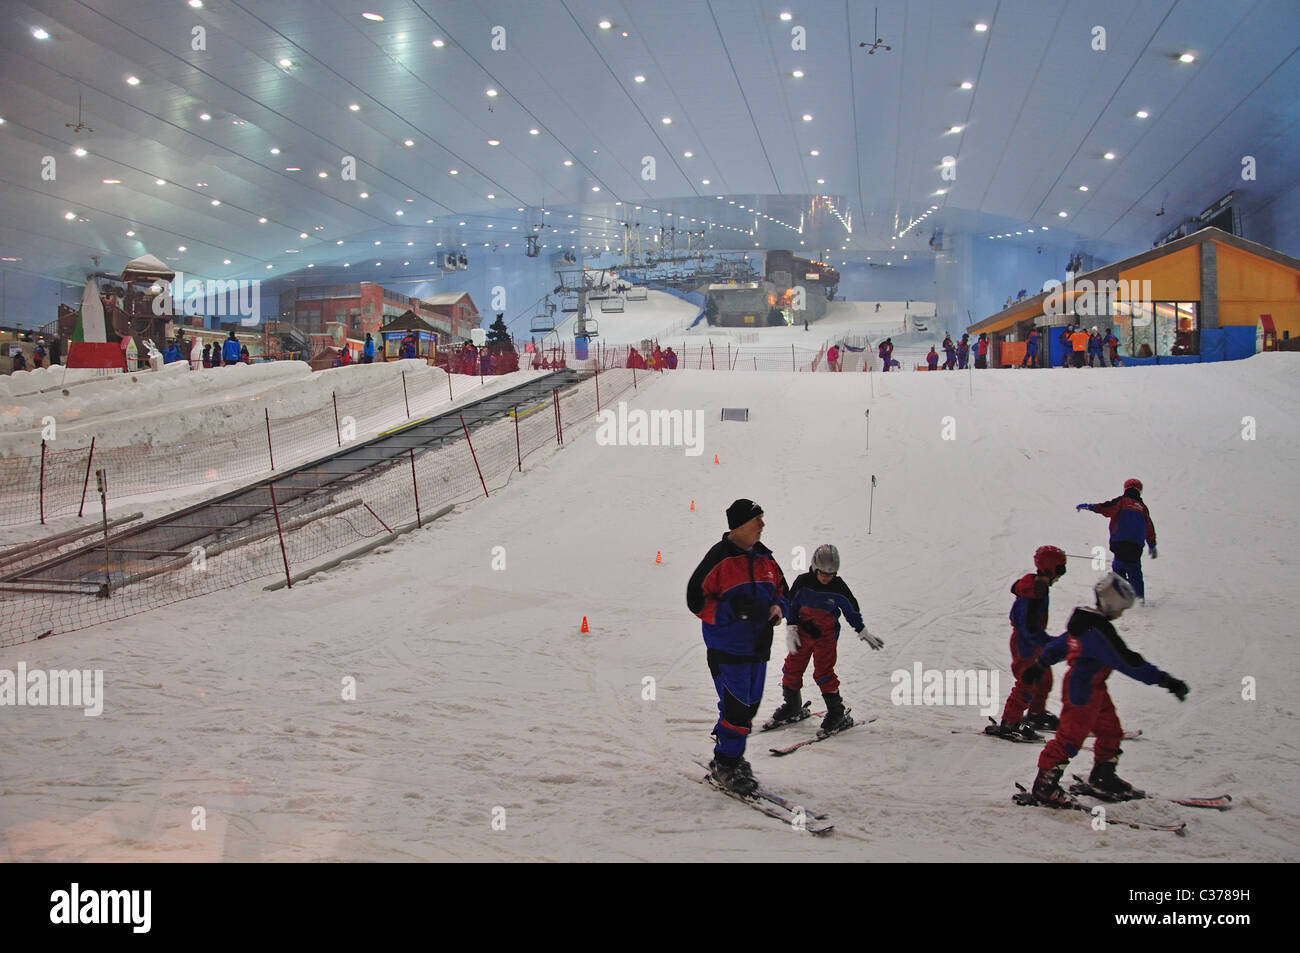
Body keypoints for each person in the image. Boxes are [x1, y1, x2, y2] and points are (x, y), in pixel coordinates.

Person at [1019, 573, 1188, 806]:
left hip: (1094, 688)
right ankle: (1045, 786)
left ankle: (1103, 777)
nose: (1122, 614)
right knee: (1070, 738)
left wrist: (1041, 664)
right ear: (1111, 604)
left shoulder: (1086, 622)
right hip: (1082, 692)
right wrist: (1166, 681)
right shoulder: (1098, 633)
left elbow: (1061, 644)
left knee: (1110, 732)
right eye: (1121, 608)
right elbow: (1130, 662)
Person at [686, 499, 790, 796]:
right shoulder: (718, 559)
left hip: (758, 647)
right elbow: (696, 600)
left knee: (749, 707)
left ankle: (730, 756)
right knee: (737, 708)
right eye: (758, 520)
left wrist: (778, 608)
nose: (762, 525)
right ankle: (726, 763)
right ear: (740, 525)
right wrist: (733, 612)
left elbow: (784, 591)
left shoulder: (765, 559)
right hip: (727, 650)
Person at [768, 544, 881, 736]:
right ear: (814, 567)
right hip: (802, 633)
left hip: (826, 637)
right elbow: (791, 604)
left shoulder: (838, 587)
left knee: (823, 673)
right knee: (792, 668)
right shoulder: (803, 582)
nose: (826, 579)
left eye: (831, 575)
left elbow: (851, 610)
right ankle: (792, 706)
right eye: (822, 574)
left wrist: (862, 630)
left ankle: (837, 712)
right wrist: (792, 626)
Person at [987, 546, 1068, 740]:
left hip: (1033, 643)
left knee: (1045, 679)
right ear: (1050, 569)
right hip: (1025, 645)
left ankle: (1036, 714)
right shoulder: (1033, 594)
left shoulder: (1037, 588)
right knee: (1028, 682)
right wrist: (1051, 644)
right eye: (1060, 571)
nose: (1061, 576)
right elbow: (1030, 629)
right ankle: (1010, 722)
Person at [1077, 479, 1157, 604]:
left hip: (1119, 543)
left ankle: (1119, 596)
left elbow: (1105, 508)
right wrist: (1152, 545)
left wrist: (1089, 507)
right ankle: (1139, 598)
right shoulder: (1143, 508)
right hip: (1136, 546)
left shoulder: (1122, 501)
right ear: (1140, 491)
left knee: (1118, 568)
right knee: (1134, 570)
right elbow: (1149, 528)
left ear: (1125, 489)